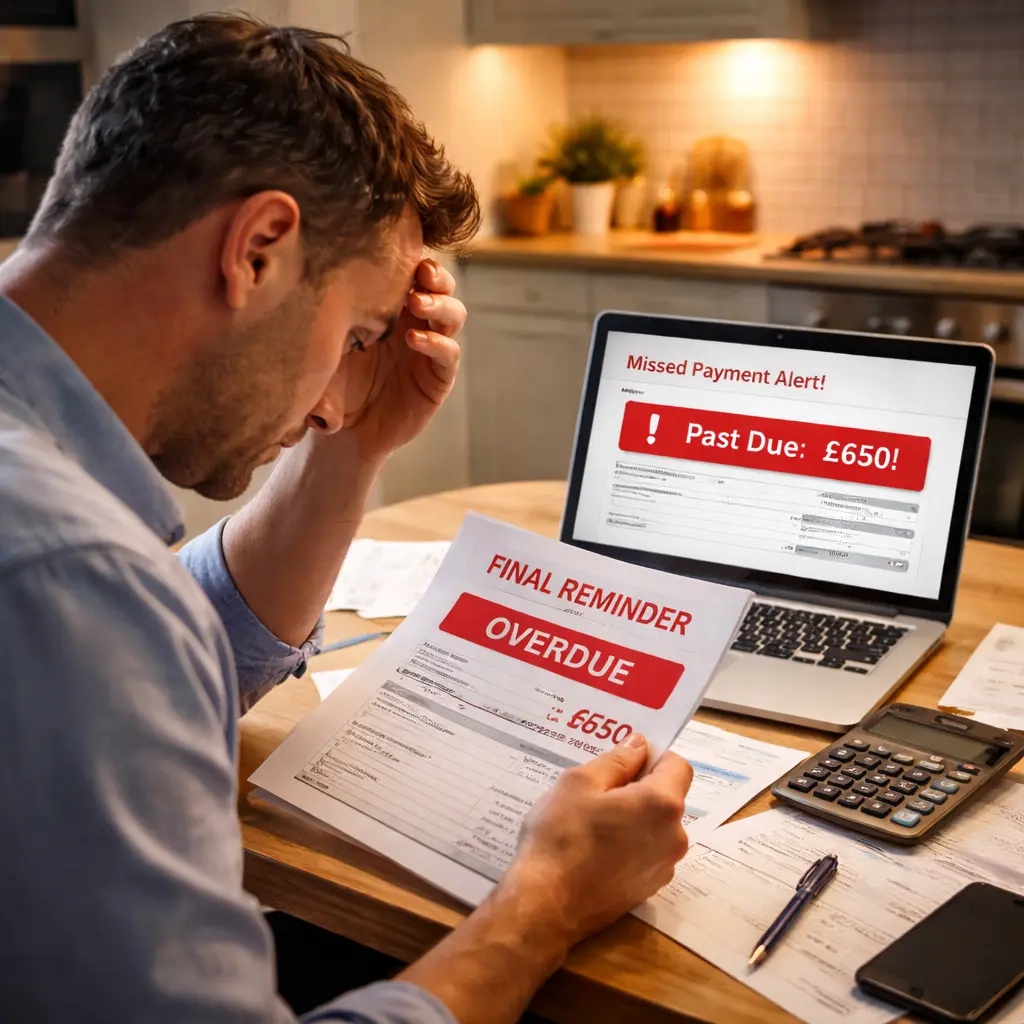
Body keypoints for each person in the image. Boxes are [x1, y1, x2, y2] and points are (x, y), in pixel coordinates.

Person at [0, 14, 694, 1024]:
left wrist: (351, 446)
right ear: (260, 249)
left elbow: (157, 657)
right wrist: (545, 903)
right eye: (359, 330)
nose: (331, 397)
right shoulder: (68, 572)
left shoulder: (71, 572)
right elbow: (107, 619)